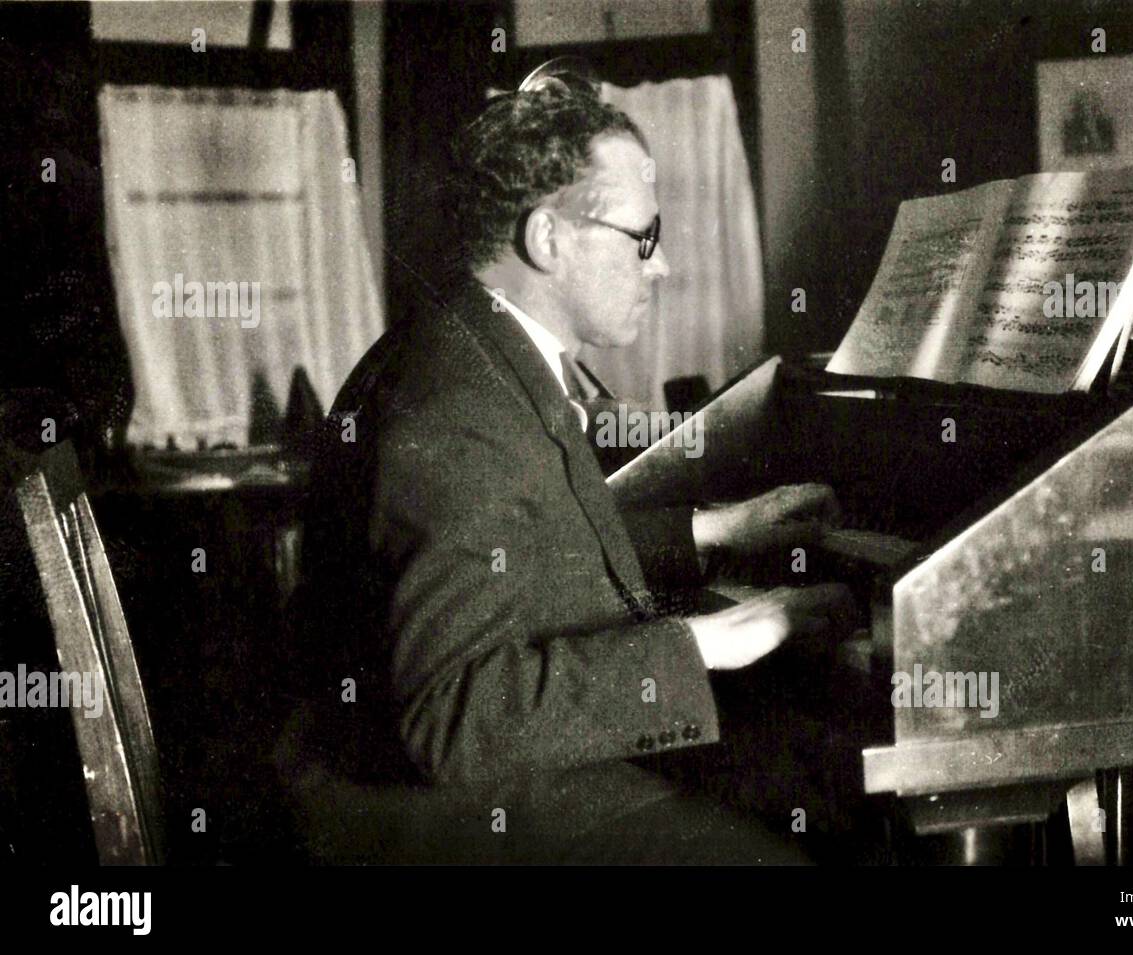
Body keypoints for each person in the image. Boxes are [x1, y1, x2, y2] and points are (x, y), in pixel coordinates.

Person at [276, 81, 853, 864]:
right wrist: (706, 642)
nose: (664, 266)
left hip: (415, 774)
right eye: (641, 239)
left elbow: (524, 550)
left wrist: (715, 528)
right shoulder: (457, 403)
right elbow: (452, 713)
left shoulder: (479, 348)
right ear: (548, 239)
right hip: (408, 810)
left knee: (788, 786)